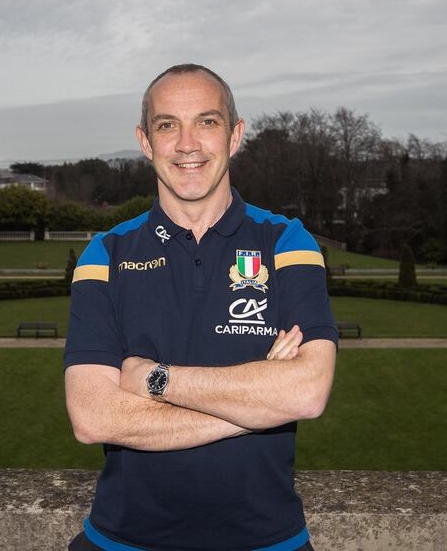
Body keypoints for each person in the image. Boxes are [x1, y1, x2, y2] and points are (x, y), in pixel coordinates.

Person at [63, 63, 338, 551]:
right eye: (168, 125)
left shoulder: (286, 241)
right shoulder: (105, 253)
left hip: (267, 541)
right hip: (121, 541)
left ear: (235, 136)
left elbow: (308, 391)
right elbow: (92, 416)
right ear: (146, 142)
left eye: (207, 122)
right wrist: (256, 405)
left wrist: (153, 379)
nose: (187, 143)